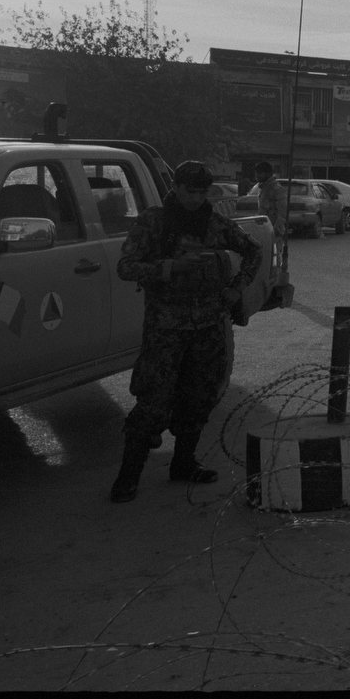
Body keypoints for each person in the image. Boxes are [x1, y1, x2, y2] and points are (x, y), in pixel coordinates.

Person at [110, 161, 261, 504]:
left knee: (200, 396)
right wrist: (169, 267)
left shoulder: (214, 223)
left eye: (201, 192)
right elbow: (126, 266)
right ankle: (128, 476)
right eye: (189, 191)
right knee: (153, 402)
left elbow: (253, 250)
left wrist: (236, 290)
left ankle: (183, 462)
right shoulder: (155, 222)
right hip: (166, 326)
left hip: (207, 325)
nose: (195, 199)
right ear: (176, 187)